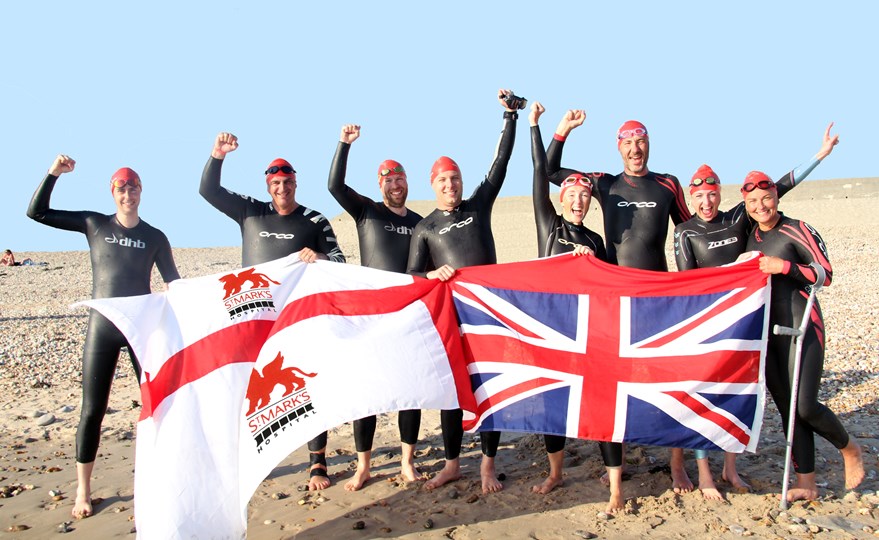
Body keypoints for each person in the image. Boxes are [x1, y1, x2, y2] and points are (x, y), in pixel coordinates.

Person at [672, 124, 840, 500]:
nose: (706, 202)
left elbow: (776, 189)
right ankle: (703, 474)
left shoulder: (739, 218)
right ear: (691, 198)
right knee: (705, 392)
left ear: (719, 195)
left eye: (712, 195)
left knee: (741, 393)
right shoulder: (684, 231)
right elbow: (686, 282)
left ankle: (731, 468)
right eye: (699, 196)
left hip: (748, 319)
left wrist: (819, 155)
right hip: (711, 318)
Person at [26, 155, 180, 519]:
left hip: (141, 328)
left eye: (133, 186)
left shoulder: (155, 237)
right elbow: (37, 213)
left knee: (157, 404)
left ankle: (163, 479)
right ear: (113, 193)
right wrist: (54, 174)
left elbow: (173, 282)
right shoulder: (94, 224)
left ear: (142, 191)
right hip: (104, 326)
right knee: (92, 409)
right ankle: (83, 490)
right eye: (121, 187)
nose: (128, 193)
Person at [545, 110, 690, 491]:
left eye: (640, 141)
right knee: (617, 380)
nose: (635, 148)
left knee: (668, 379)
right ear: (619, 147)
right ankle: (618, 462)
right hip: (616, 297)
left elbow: (690, 232)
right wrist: (562, 131)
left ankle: (677, 464)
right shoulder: (605, 184)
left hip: (658, 294)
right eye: (628, 142)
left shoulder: (667, 184)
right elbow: (549, 170)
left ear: (649, 144)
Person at [200, 132, 345, 491]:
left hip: (297, 320)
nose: (282, 189)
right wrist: (217, 155)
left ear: (296, 183)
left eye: (288, 182)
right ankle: (248, 460)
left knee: (307, 388)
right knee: (246, 391)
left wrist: (322, 257)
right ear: (268, 186)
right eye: (276, 183)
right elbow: (209, 191)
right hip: (252, 321)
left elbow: (341, 260)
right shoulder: (250, 211)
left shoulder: (314, 220)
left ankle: (317, 463)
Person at [407, 89, 519, 494]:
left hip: (488, 315)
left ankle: (488, 465)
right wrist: (433, 273)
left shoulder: (477, 207)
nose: (450, 185)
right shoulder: (426, 228)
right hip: (452, 319)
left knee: (491, 389)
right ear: (433, 185)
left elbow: (500, 165)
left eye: (455, 178)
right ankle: (453, 463)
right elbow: (412, 277)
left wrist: (510, 118)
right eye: (443, 180)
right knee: (452, 392)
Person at [742, 172, 864, 502]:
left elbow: (825, 273)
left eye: (766, 198)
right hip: (769, 329)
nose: (761, 206)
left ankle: (849, 448)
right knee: (786, 408)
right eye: (753, 202)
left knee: (805, 406)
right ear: (747, 206)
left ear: (776, 198)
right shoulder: (750, 236)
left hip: (803, 323)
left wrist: (785, 267)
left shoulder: (797, 228)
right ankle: (806, 482)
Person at [530, 102, 626, 514]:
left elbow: (609, 288)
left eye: (586, 197)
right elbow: (539, 174)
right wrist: (542, 127)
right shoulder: (549, 225)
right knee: (553, 407)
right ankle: (556, 472)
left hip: (589, 332)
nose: (580, 202)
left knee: (604, 404)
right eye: (574, 196)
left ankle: (617, 487)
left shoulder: (598, 242)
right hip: (552, 327)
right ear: (563, 198)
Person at [327, 123, 425, 491]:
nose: (395, 186)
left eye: (399, 179)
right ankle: (363, 467)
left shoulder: (419, 223)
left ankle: (407, 462)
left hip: (409, 316)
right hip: (372, 318)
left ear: (406, 183)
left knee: (410, 392)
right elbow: (335, 186)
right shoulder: (367, 212)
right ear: (379, 186)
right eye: (388, 181)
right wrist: (344, 145)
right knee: (367, 395)